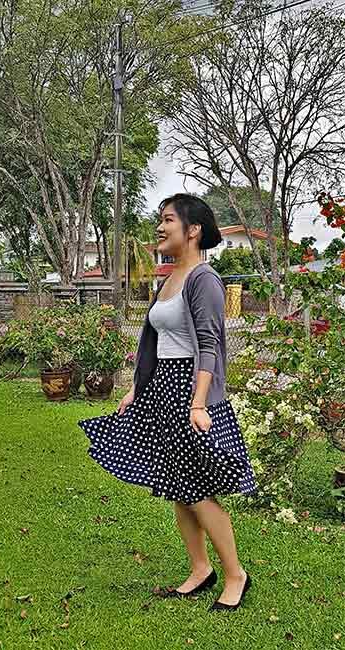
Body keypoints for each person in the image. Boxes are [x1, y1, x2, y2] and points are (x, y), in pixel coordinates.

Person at [77, 193, 258, 612]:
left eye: (168, 219)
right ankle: (200, 569)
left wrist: (198, 404)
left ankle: (235, 575)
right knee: (180, 487)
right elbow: (156, 343)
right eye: (160, 219)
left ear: (193, 230)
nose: (160, 227)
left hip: (189, 391)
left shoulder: (203, 279)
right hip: (163, 389)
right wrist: (137, 389)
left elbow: (211, 344)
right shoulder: (168, 279)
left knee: (198, 490)